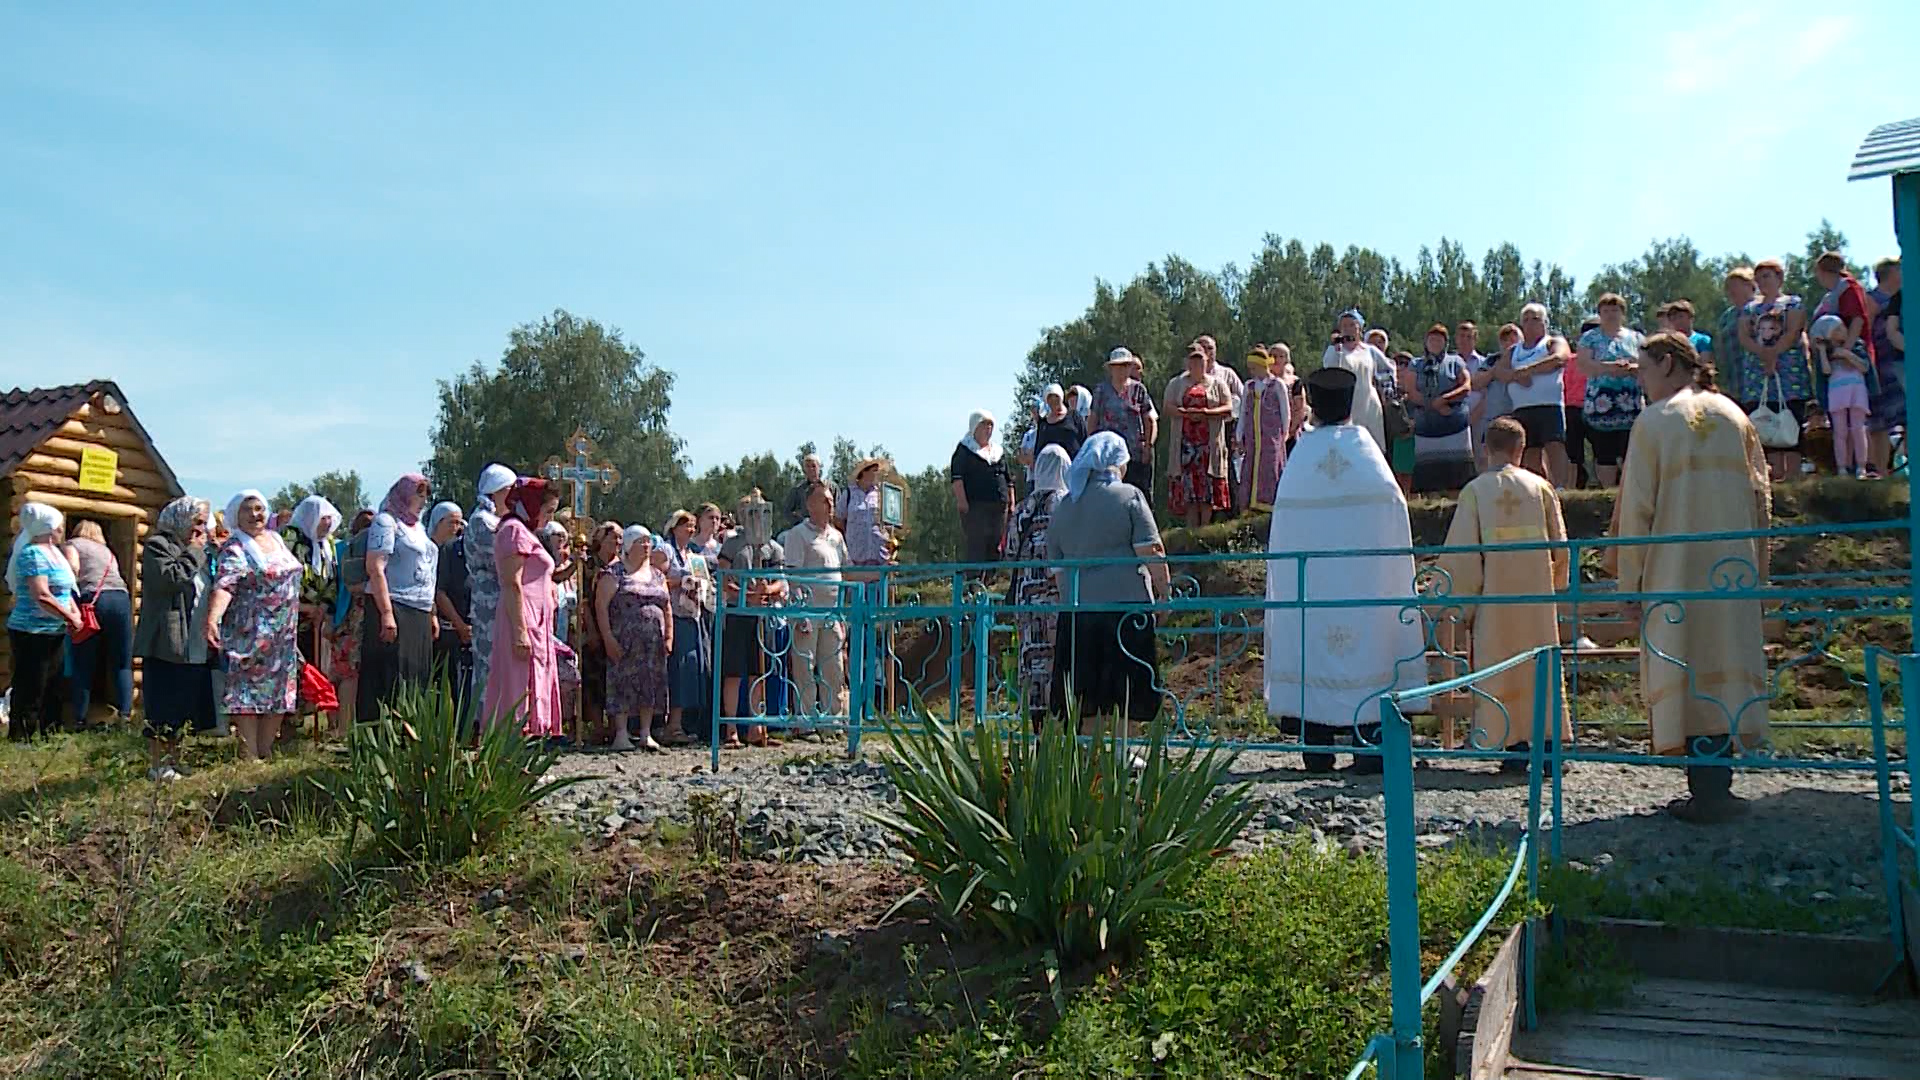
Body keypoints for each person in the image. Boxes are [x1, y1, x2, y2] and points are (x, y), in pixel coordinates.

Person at [1613, 332, 1771, 823]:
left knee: (1685, 663)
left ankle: (1704, 790)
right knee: (1723, 660)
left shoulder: (1655, 421)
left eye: (1642, 370)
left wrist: (1629, 583)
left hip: (1674, 570)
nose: (1640, 381)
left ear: (1665, 363)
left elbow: (1636, 508)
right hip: (1731, 570)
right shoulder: (1735, 415)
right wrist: (1758, 573)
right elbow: (1762, 500)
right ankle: (1716, 783)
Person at [1264, 367, 1429, 775]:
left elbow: (1284, 531)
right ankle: (1369, 751)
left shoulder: (1302, 458)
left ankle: (1317, 751)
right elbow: (1393, 517)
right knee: (1368, 656)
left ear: (1314, 408)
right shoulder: (1368, 454)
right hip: (1364, 589)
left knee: (1313, 654)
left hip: (1314, 591)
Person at [1438, 418, 1571, 768]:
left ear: (1485, 449)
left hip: (1494, 603)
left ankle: (1509, 747)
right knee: (1539, 668)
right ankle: (1546, 749)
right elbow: (1561, 547)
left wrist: (1464, 603)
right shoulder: (1541, 488)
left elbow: (1464, 555)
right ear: (1521, 449)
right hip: (1537, 603)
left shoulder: (1476, 491)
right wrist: (1553, 587)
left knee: (1500, 668)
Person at [1047, 432, 1167, 731]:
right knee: (1128, 692)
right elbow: (1151, 550)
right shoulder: (1129, 496)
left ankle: (1090, 762)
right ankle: (1124, 756)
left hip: (1079, 614)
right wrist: (1165, 595)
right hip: (1126, 610)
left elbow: (1058, 572)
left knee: (1085, 693)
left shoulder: (1063, 506)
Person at [205, 491, 303, 761]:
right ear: (236, 515)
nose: (255, 514)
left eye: (259, 508)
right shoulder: (236, 547)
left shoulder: (277, 539)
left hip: (283, 636)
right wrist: (213, 619)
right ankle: (249, 754)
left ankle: (266, 749)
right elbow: (225, 586)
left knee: (279, 690)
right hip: (250, 633)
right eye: (247, 510)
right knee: (247, 691)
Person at [132, 497, 216, 779]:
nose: (201, 528)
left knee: (182, 703)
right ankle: (158, 765)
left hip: (193, 639)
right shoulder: (159, 545)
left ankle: (174, 759)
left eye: (204, 523)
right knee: (163, 703)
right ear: (180, 519)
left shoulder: (200, 550)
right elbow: (171, 577)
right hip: (168, 639)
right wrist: (194, 551)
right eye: (197, 522)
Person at [482, 478, 564, 739]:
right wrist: (519, 631)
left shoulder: (527, 532)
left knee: (533, 682)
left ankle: (530, 748)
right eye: (547, 511)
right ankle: (511, 751)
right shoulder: (513, 531)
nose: (548, 519)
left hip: (538, 621)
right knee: (518, 685)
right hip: (522, 618)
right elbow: (511, 582)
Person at [360, 474, 438, 722]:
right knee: (392, 674)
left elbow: (427, 570)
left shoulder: (419, 528)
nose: (423, 499)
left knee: (416, 676)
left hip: (420, 609)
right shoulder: (386, 522)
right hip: (395, 605)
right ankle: (383, 736)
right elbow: (376, 567)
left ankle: (410, 733)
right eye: (418, 492)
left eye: (426, 493)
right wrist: (386, 613)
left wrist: (432, 612)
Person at [716, 492, 789, 747]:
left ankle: (757, 727)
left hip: (763, 614)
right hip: (738, 613)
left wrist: (767, 591)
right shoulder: (732, 544)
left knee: (759, 671)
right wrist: (747, 594)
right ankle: (731, 729)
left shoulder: (773, 547)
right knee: (735, 671)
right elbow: (724, 578)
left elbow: (781, 579)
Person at [1004, 444, 1069, 724]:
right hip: (1056, 592)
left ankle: (1036, 724)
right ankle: (1062, 722)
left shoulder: (1022, 509)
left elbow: (1010, 552)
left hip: (1027, 597)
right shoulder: (1067, 504)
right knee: (1058, 656)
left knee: (1032, 656)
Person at [7, 503, 80, 740]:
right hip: (31, 630)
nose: (62, 529)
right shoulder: (32, 553)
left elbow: (65, 590)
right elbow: (41, 594)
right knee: (31, 686)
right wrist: (69, 617)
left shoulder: (56, 553)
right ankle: (21, 737)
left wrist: (75, 612)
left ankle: (51, 734)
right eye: (59, 524)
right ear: (49, 527)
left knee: (54, 685)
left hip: (54, 629)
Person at [599, 525, 674, 751]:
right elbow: (600, 606)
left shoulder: (658, 575)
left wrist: (669, 635)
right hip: (624, 640)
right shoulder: (615, 574)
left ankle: (645, 732)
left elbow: (667, 606)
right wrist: (608, 638)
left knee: (650, 683)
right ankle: (621, 733)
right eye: (641, 541)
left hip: (653, 641)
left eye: (648, 541)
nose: (646, 546)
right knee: (622, 682)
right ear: (629, 546)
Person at [1738, 259, 1813, 480]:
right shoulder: (1750, 308)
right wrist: (1763, 354)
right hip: (1758, 376)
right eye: (1759, 278)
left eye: (1767, 276)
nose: (1763, 282)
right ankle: (1771, 476)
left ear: (1780, 278)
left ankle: (1792, 476)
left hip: (1789, 374)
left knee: (1790, 422)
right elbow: (1743, 335)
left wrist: (1774, 353)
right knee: (1764, 424)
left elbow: (1792, 331)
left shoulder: (1792, 303)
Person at [781, 482, 848, 725]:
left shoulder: (836, 537)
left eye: (831, 500)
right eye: (824, 500)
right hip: (808, 609)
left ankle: (833, 720)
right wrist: (799, 612)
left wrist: (880, 571)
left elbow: (847, 571)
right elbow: (793, 576)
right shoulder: (798, 535)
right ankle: (806, 720)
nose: (830, 505)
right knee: (805, 667)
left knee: (834, 666)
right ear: (810, 504)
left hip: (832, 610)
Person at [278, 495, 343, 734]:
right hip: (290, 615)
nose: (326, 524)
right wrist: (302, 607)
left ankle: (305, 719)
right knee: (291, 668)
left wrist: (324, 606)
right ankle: (285, 724)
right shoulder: (291, 538)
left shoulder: (329, 544)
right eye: (322, 518)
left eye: (329, 518)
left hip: (316, 618)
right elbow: (283, 575)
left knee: (313, 669)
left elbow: (334, 578)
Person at [61, 519, 132, 725]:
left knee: (84, 661)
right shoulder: (107, 551)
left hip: (92, 599)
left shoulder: (73, 544)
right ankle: (125, 716)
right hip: (121, 599)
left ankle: (79, 718)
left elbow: (72, 569)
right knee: (122, 662)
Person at [1576, 293, 1646, 487]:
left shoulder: (1637, 338)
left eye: (1615, 310)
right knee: (1604, 452)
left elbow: (1647, 365)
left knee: (1630, 450)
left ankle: (1631, 491)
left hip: (1630, 404)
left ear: (1622, 313)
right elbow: (1583, 365)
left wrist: (1629, 368)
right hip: (1601, 404)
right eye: (1605, 311)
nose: (1610, 315)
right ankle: (1608, 492)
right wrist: (1609, 368)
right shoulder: (1589, 338)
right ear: (1599, 314)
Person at [466, 463, 518, 722]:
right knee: (489, 662)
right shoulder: (481, 521)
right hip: (488, 599)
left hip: (502, 597)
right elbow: (499, 557)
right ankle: (486, 721)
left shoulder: (499, 520)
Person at [1166, 344, 1232, 528]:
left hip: (1208, 447)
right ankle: (1191, 534)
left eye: (1200, 360)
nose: (1196, 365)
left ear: (1206, 361)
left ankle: (1205, 531)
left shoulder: (1217, 383)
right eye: (1192, 361)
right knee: (1189, 493)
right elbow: (1167, 407)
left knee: (1207, 493)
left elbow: (1228, 407)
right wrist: (1185, 412)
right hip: (1185, 447)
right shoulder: (1177, 383)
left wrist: (1207, 412)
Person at [663, 509, 715, 741]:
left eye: (693, 526)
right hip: (674, 614)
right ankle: (672, 724)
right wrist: (681, 582)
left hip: (693, 615)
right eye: (687, 526)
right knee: (678, 669)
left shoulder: (693, 555)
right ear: (675, 527)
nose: (691, 530)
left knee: (693, 668)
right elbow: (656, 579)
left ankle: (687, 722)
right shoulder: (666, 551)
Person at [1508, 304, 1573, 486]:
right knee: (1529, 452)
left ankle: (1560, 487)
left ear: (1545, 323)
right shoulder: (1514, 351)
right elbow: (1499, 370)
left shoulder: (1552, 342)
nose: (1530, 324)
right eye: (1526, 320)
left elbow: (1560, 358)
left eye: (1535, 319)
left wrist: (1529, 370)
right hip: (1522, 408)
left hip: (1549, 405)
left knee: (1554, 446)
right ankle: (1538, 488)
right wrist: (1516, 376)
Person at [1407, 324, 1475, 494]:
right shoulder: (1415, 364)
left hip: (1455, 426)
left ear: (1445, 342)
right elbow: (1412, 392)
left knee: (1457, 475)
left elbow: (1466, 386)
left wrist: (1444, 400)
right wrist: (1433, 405)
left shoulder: (1456, 362)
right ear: (1425, 342)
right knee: (1428, 476)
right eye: (1431, 339)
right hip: (1426, 427)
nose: (1435, 342)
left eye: (1439, 339)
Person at [1319, 309, 1391, 457]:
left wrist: (1386, 387)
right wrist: (1336, 347)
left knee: (1372, 449)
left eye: (1352, 325)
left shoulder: (1370, 351)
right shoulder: (1335, 350)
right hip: (1345, 404)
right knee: (1348, 449)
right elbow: (1328, 370)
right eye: (1344, 325)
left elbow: (1389, 369)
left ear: (1360, 328)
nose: (1348, 329)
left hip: (1368, 403)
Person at [1091, 347, 1158, 498]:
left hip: (1134, 452)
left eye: (1125, 365)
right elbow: (1093, 419)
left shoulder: (1139, 389)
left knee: (1139, 494)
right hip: (1108, 455)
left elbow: (1149, 420)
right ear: (1110, 369)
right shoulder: (1101, 391)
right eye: (1117, 366)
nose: (1121, 370)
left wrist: (1148, 446)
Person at [433, 500, 477, 729]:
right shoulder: (449, 551)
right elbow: (440, 591)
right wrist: (460, 625)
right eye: (452, 522)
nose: (457, 527)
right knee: (449, 684)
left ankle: (471, 731)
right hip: (451, 629)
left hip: (477, 628)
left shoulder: (481, 551)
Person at [1814, 313, 1874, 478]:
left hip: (1856, 390)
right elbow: (1826, 371)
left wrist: (1847, 354)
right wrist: (1822, 352)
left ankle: (1861, 466)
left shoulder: (1857, 346)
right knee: (1840, 431)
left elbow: (1864, 367)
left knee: (1858, 428)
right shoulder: (1827, 352)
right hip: (1837, 392)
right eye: (1838, 329)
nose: (1843, 330)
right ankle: (1842, 467)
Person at [950, 411, 1011, 564]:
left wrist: (1011, 501)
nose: (988, 428)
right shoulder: (964, 450)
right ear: (975, 426)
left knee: (995, 544)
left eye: (991, 425)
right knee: (977, 544)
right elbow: (957, 478)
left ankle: (989, 580)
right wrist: (962, 501)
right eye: (984, 424)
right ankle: (973, 583)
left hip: (999, 505)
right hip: (976, 505)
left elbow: (1008, 478)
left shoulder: (998, 451)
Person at [1194, 335, 1246, 511]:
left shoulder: (1226, 373)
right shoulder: (1190, 377)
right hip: (1198, 431)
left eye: (1211, 348)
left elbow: (1243, 396)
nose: (1209, 352)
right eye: (1204, 348)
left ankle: (1232, 508)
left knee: (1228, 467)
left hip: (1226, 426)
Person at [1239, 345, 1291, 511]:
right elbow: (1242, 413)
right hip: (1253, 438)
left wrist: (1284, 433)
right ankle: (1249, 507)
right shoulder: (1249, 386)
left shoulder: (1277, 385)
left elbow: (1285, 412)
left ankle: (1268, 506)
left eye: (1254, 368)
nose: (1252, 371)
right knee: (1251, 469)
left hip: (1271, 438)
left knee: (1270, 469)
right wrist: (1239, 436)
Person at [1867, 258, 1905, 474]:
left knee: (1909, 418)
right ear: (1891, 273)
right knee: (1878, 423)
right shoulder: (1872, 299)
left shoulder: (1904, 298)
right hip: (1878, 368)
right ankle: (1881, 473)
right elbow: (1867, 332)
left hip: (1900, 365)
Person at [1712, 269, 1757, 416]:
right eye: (1728, 287)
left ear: (1750, 285)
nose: (1731, 290)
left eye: (1735, 285)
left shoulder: (1760, 308)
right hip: (1734, 382)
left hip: (1757, 380)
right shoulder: (1726, 316)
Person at [835, 458, 895, 567]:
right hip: (855, 555)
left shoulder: (881, 494)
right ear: (864, 472)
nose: (878, 474)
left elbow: (890, 520)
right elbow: (838, 520)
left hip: (880, 554)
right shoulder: (849, 493)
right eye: (875, 470)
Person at [1032, 383, 1086, 463]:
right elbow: (1038, 451)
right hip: (1050, 470)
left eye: (1056, 397)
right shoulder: (1043, 424)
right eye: (1050, 398)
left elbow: (1084, 440)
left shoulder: (1074, 416)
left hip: (1074, 466)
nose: (1053, 400)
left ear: (1061, 397)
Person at [781, 454, 832, 531]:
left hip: (826, 529)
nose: (811, 469)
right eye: (808, 466)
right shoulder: (797, 490)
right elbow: (787, 512)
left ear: (819, 467)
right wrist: (799, 521)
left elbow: (838, 509)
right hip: (804, 531)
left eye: (814, 466)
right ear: (804, 469)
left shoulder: (831, 487)